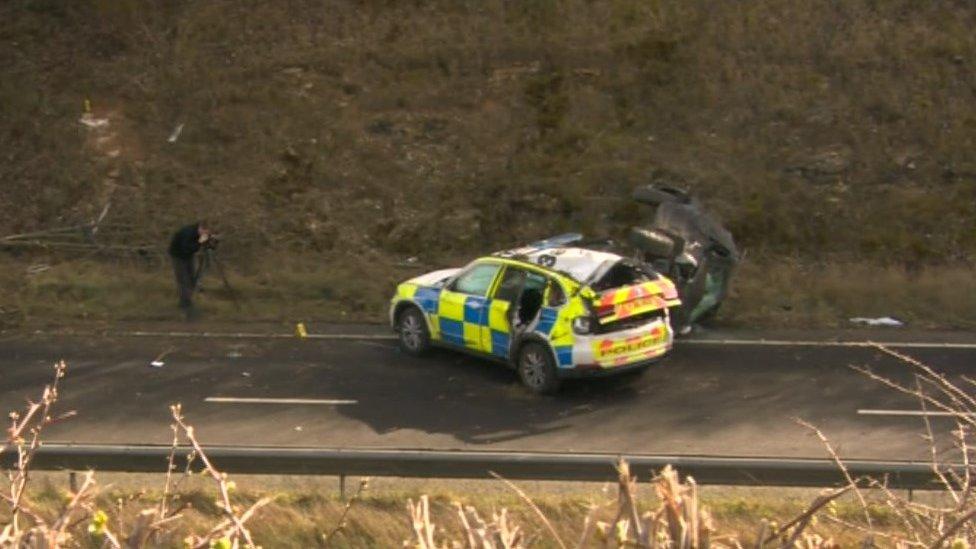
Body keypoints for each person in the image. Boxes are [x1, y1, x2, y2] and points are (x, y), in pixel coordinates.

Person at [168, 221, 212, 319]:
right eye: (205, 232)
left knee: (192, 279)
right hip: (178, 255)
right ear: (201, 229)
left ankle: (187, 300)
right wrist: (199, 242)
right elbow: (186, 248)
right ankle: (186, 305)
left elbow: (206, 247)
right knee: (183, 280)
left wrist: (209, 242)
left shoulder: (199, 233)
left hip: (188, 256)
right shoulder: (188, 233)